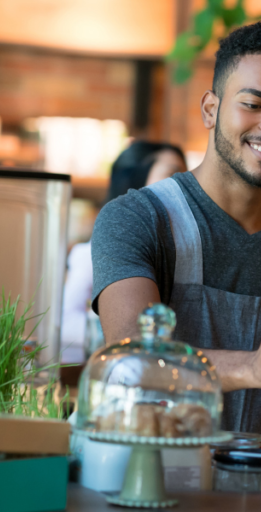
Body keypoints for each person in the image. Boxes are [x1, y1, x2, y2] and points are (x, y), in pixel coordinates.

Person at [91, 22, 261, 436]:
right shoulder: (137, 218)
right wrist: (254, 365)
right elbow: (130, 363)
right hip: (155, 486)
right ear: (210, 110)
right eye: (254, 104)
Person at [61, 141, 188, 363]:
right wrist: (112, 327)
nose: (183, 185)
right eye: (172, 174)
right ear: (136, 179)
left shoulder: (183, 250)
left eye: (186, 175)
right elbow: (65, 325)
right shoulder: (90, 254)